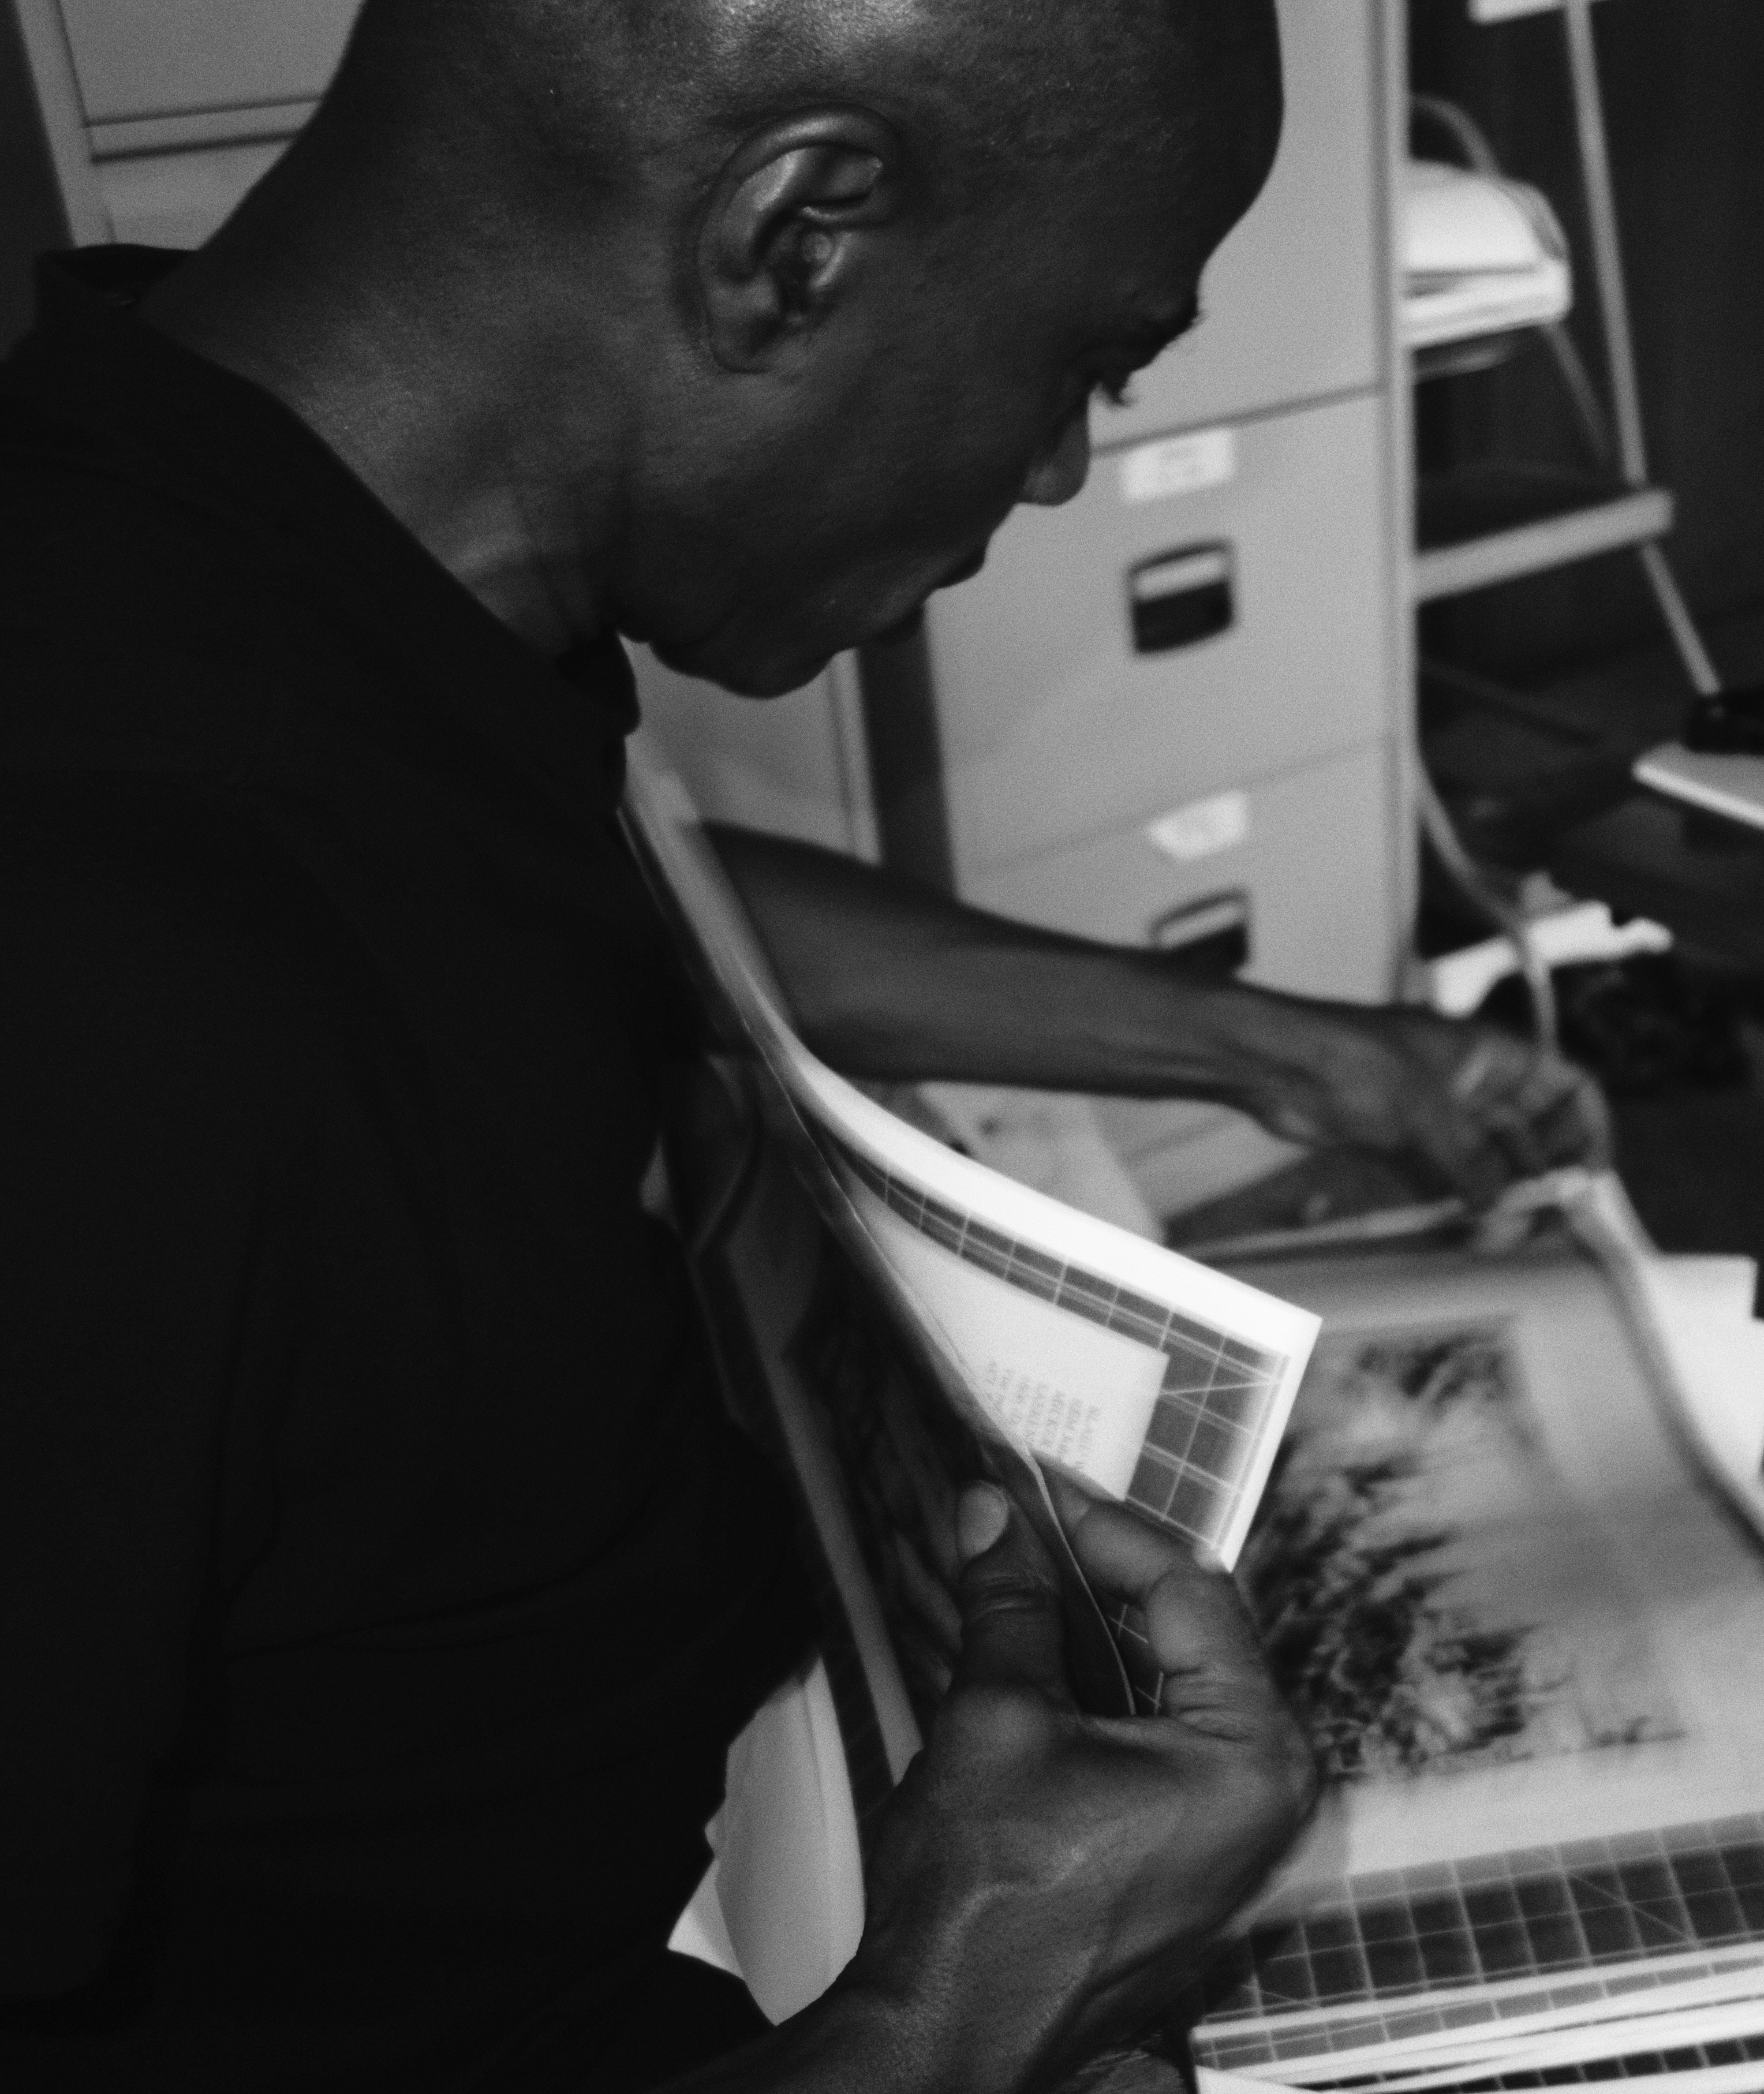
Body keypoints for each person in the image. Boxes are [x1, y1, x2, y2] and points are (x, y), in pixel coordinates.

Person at [0, 1, 1605, 2088]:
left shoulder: (252, 528)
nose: (1061, 467)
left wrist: (1279, 1048)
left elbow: (565, 892)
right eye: (1088, 361)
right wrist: (959, 2008)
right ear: (800, 235)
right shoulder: (94, 1000)